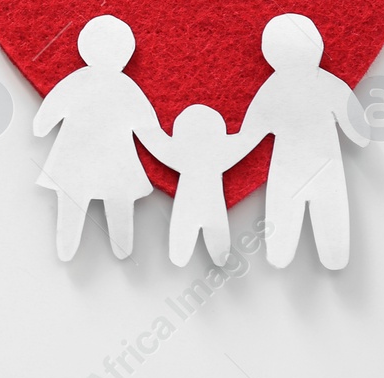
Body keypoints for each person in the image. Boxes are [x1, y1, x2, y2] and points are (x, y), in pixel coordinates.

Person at [236, 13, 370, 269]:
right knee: (330, 206)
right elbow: (359, 129)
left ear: (269, 52)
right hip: (324, 164)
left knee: (284, 206)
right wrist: (361, 134)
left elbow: (251, 133)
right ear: (316, 44)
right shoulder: (328, 84)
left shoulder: (273, 88)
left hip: (288, 166)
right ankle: (331, 257)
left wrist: (226, 151)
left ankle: (281, 255)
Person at [33, 15, 165, 261]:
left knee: (73, 199)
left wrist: (42, 125)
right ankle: (121, 248)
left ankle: (68, 249)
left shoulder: (77, 81)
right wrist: (169, 150)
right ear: (126, 52)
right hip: (116, 163)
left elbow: (44, 120)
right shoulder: (127, 88)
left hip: (73, 160)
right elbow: (149, 130)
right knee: (118, 200)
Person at [141, 105, 256, 266]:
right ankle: (208, 256)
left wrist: (141, 127)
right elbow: (247, 139)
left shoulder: (177, 152)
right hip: (212, 204)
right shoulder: (222, 151)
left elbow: (155, 141)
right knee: (207, 231)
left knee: (184, 231)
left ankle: (184, 255)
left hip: (187, 204)